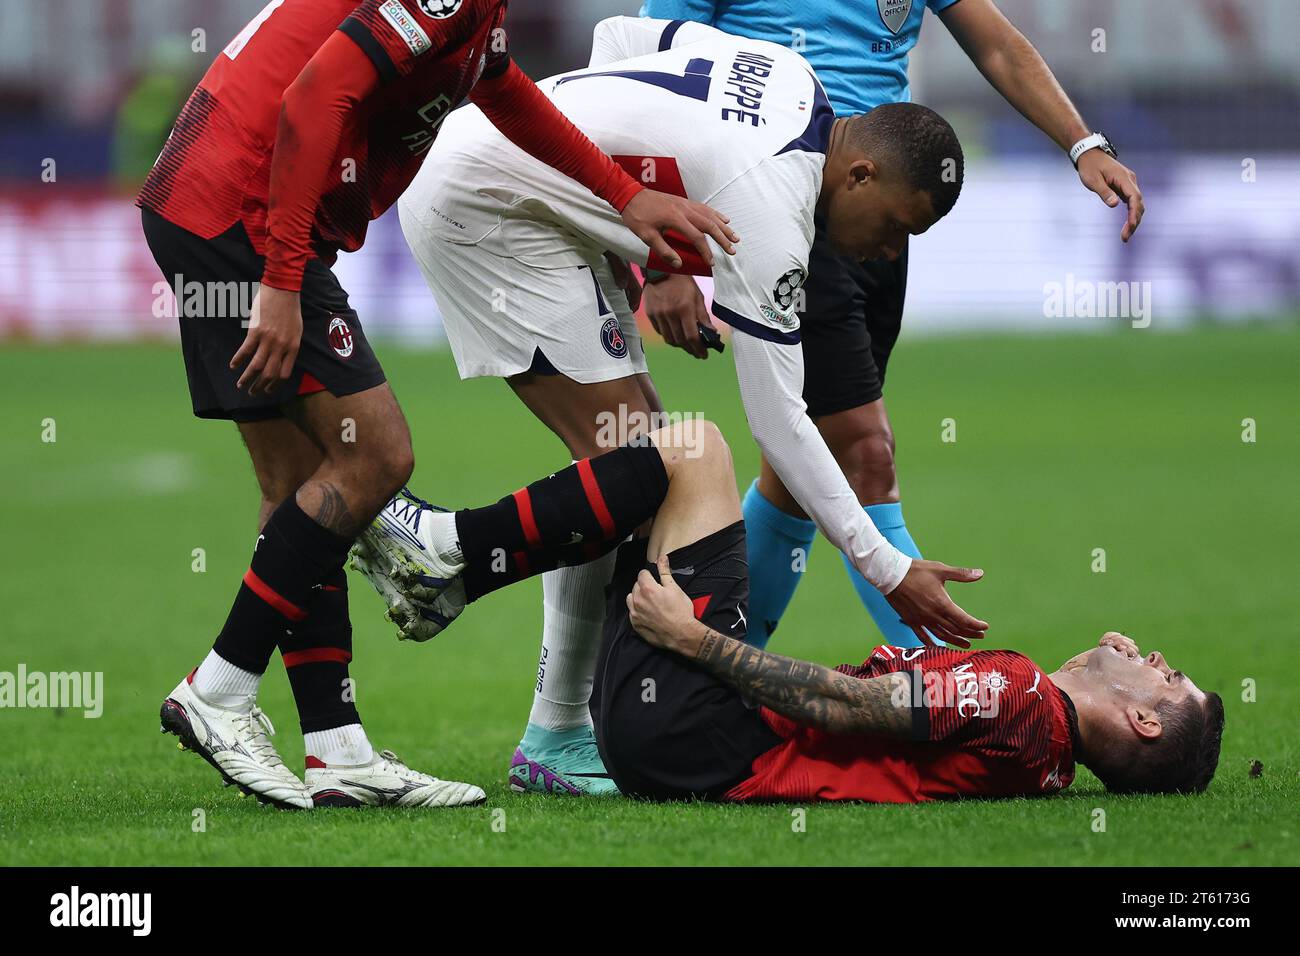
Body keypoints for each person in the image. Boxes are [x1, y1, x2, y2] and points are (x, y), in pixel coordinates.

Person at [143, 0, 737, 811]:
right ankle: (219, 689)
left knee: (302, 487)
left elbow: (502, 86)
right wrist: (282, 281)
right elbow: (312, 100)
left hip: (205, 199)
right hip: (242, 211)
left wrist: (625, 199)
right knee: (376, 456)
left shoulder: (474, 12)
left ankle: (337, 749)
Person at [391, 16, 987, 796]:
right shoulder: (772, 211)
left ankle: (553, 722)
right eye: (896, 229)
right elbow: (780, 422)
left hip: (509, 175)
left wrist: (631, 216)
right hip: (487, 202)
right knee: (632, 461)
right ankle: (451, 560)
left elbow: (619, 38)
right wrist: (885, 565)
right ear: (862, 175)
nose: (886, 253)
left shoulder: (790, 76)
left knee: (633, 460)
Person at [353, 420, 1223, 802]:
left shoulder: (1021, 696)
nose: (1136, 645)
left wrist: (698, 640)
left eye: (1164, 672)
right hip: (683, 747)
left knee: (692, 449)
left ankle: (450, 553)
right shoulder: (1047, 765)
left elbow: (852, 705)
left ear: (1144, 720)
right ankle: (520, 682)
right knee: (630, 477)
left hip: (702, 735)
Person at [640, 0, 1145, 650]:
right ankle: (962, 703)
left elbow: (994, 42)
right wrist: (664, 259)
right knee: (864, 452)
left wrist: (1081, 143)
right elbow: (662, 60)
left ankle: (701, 677)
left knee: (796, 478)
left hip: (881, 203)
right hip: (786, 189)